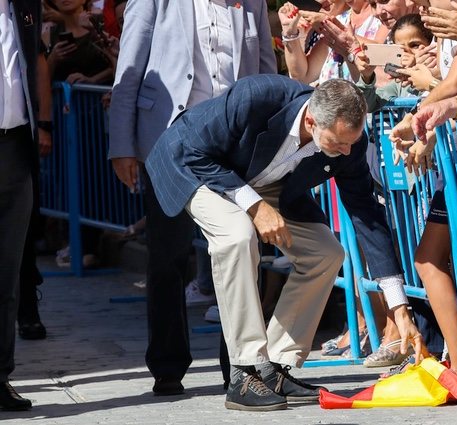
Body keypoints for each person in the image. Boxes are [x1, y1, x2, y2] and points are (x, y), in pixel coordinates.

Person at [144, 75, 423, 411]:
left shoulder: (349, 141)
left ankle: (273, 367)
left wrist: (399, 305)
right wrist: (255, 206)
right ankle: (244, 371)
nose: (347, 152)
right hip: (193, 165)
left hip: (258, 178)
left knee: (326, 252)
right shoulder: (256, 97)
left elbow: (367, 216)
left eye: (352, 142)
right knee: (237, 235)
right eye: (337, 143)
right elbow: (196, 152)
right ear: (311, 121)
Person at [108, 0, 277, 396]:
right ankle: (167, 364)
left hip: (232, 146)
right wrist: (122, 146)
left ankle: (239, 365)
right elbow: (128, 73)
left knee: (240, 248)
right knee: (168, 254)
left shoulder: (251, 3)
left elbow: (266, 72)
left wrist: (267, 143)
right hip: (168, 142)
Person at [0, 0, 51, 411]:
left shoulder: (25, 5)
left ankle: (0, 377)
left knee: (8, 274)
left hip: (15, 146)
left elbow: (33, 65)